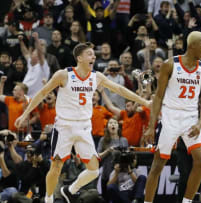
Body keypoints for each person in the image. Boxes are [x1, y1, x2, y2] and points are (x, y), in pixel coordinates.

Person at [14, 42, 150, 203]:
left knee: (93, 171)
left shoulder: (96, 77)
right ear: (79, 58)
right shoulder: (63, 75)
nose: (94, 56)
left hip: (84, 127)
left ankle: (69, 190)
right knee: (56, 166)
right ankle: (49, 199)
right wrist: (25, 115)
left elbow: (120, 90)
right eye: (90, 54)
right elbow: (42, 92)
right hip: (64, 126)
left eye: (94, 54)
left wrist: (145, 102)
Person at [143, 31, 201, 203]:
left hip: (190, 119)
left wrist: (200, 123)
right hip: (170, 117)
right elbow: (158, 97)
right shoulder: (170, 65)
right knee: (158, 165)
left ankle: (187, 201)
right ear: (192, 45)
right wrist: (151, 126)